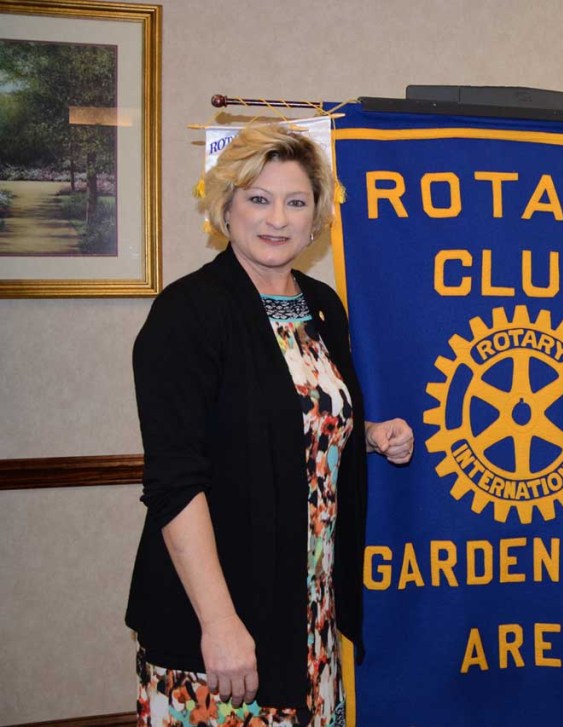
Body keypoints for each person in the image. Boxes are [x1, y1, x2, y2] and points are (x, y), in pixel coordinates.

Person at [127, 123, 414, 727]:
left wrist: (365, 434)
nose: (277, 219)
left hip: (309, 615)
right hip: (223, 624)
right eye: (259, 199)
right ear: (225, 207)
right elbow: (175, 482)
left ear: (316, 219)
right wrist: (219, 623)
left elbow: (285, 420)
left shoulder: (321, 306)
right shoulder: (187, 313)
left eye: (296, 202)